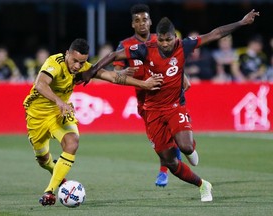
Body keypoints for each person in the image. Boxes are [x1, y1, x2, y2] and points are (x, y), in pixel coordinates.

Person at [79, 9, 260, 202]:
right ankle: (203, 185)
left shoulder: (185, 45)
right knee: (170, 161)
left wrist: (240, 23)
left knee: (186, 146)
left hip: (175, 105)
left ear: (175, 38)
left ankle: (190, 148)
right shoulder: (146, 48)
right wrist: (92, 69)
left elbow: (215, 34)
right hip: (152, 110)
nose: (165, 44)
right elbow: (114, 56)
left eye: (168, 40)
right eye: (162, 41)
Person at [23, 38, 162, 206]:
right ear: (67, 54)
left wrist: (144, 84)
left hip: (60, 114)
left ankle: (49, 192)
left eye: (81, 63)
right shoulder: (54, 63)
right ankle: (60, 177)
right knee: (43, 160)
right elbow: (40, 84)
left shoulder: (84, 67)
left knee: (72, 142)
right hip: (37, 116)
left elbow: (113, 76)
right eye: (74, 61)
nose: (77, 66)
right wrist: (59, 101)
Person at [113, 4, 185, 187]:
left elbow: (176, 61)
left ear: (150, 21)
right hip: (145, 101)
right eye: (137, 21)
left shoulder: (161, 40)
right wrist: (125, 72)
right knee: (159, 141)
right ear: (132, 24)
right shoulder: (126, 45)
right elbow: (116, 73)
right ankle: (173, 155)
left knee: (171, 133)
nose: (141, 23)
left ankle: (164, 171)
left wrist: (184, 78)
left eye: (144, 19)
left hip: (167, 97)